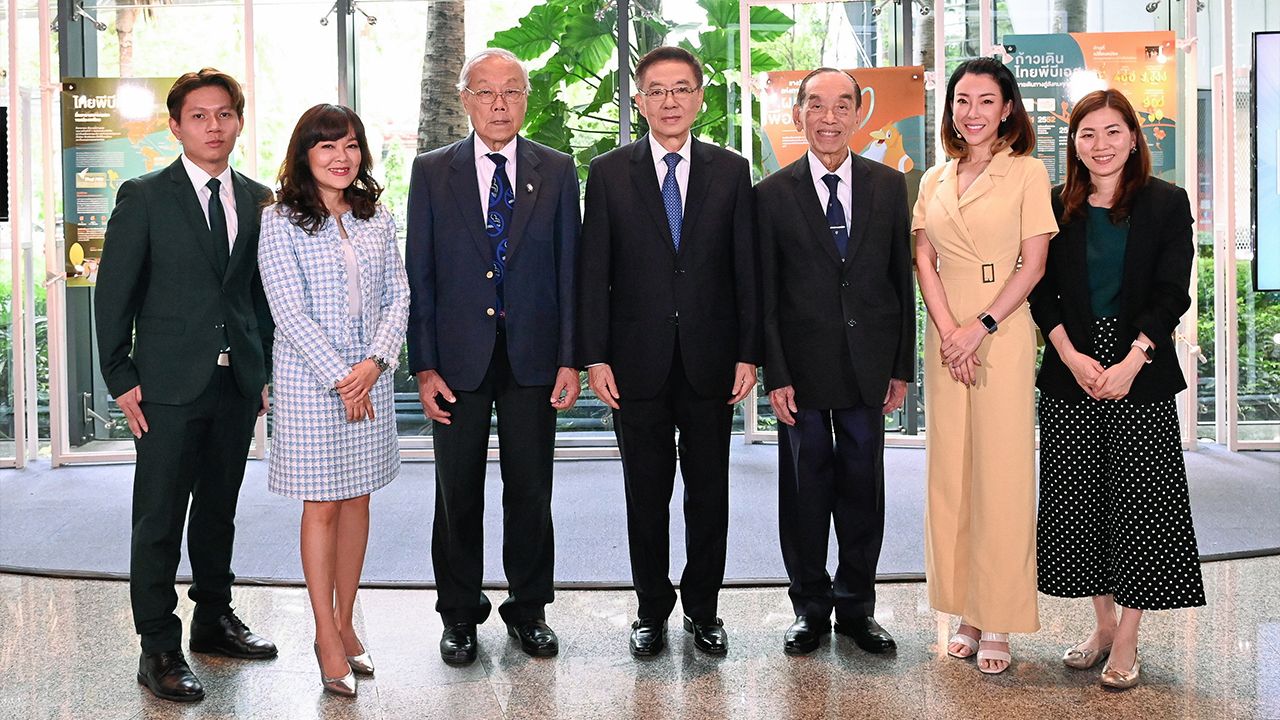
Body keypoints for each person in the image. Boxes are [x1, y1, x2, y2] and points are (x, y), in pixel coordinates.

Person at [96, 68, 277, 703]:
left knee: (219, 512)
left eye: (224, 113)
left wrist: (263, 370)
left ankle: (213, 620)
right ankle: (158, 648)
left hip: (236, 385)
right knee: (159, 519)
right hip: (166, 388)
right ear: (175, 126)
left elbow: (260, 296)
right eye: (199, 116)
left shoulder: (259, 199)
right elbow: (114, 292)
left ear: (238, 121)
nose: (213, 126)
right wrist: (120, 375)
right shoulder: (144, 196)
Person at [577, 46, 761, 658]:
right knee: (645, 495)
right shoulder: (607, 173)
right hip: (635, 365)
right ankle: (651, 610)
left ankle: (704, 610)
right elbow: (593, 272)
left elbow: (746, 272)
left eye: (682, 88)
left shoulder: (733, 172)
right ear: (639, 99)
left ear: (700, 98)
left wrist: (748, 352)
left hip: (712, 361)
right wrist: (595, 356)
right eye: (657, 90)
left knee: (709, 493)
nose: (670, 100)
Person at [406, 48, 581, 665]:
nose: (499, 102)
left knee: (531, 488)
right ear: (465, 99)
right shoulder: (432, 171)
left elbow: (569, 270)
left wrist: (570, 359)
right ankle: (460, 615)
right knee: (457, 492)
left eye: (511, 90)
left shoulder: (557, 170)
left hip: (534, 357)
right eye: (486, 92)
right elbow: (419, 274)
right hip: (457, 361)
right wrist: (423, 365)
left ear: (525, 98)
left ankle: (528, 610)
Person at [1029, 89, 1205, 690]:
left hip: (1141, 371)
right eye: (1087, 134)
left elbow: (1171, 292)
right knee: (1081, 509)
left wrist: (1133, 360)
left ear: (1134, 137)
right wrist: (1071, 355)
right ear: (1073, 143)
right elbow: (1040, 289)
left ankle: (1128, 635)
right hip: (1070, 372)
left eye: (1111, 133)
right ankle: (1102, 624)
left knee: (1140, 509)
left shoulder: (1166, 203)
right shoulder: (1057, 205)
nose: (1099, 146)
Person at [756, 68, 914, 656]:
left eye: (841, 106)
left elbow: (901, 280)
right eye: (815, 106)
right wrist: (776, 372)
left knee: (861, 487)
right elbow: (764, 294)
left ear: (857, 115)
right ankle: (810, 608)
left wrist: (902, 366)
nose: (828, 117)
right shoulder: (770, 195)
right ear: (798, 115)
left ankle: (856, 608)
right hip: (800, 369)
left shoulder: (887, 185)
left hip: (869, 366)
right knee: (805, 488)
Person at [911, 57, 1058, 674]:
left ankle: (997, 616)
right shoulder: (933, 179)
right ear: (951, 109)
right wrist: (949, 333)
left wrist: (980, 328)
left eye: (986, 101)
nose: (972, 113)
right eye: (962, 101)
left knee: (1000, 476)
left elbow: (1034, 264)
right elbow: (924, 258)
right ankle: (964, 609)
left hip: (1002, 328)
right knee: (953, 476)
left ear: (1008, 109)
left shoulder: (1028, 172)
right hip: (947, 339)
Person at [257, 104, 409, 696]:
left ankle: (347, 622)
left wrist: (373, 366)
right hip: (310, 384)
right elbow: (287, 310)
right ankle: (324, 633)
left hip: (370, 378)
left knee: (358, 501)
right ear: (304, 155)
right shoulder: (280, 220)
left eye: (349, 145)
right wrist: (342, 378)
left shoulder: (377, 217)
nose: (340, 158)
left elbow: (400, 295)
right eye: (326, 147)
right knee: (321, 504)